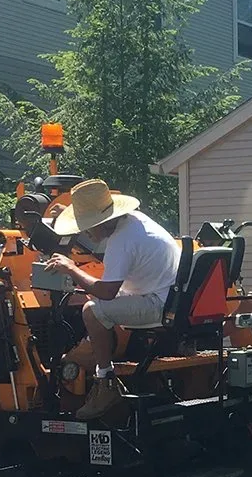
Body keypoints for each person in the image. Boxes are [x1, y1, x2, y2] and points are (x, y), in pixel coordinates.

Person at [42, 179, 181, 420]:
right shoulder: (137, 222)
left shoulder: (121, 241)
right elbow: (114, 285)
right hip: (168, 297)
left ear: (102, 222)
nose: (85, 232)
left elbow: (106, 292)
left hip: (158, 304)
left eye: (87, 226)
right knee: (97, 303)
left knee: (90, 310)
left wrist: (72, 269)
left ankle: (105, 381)